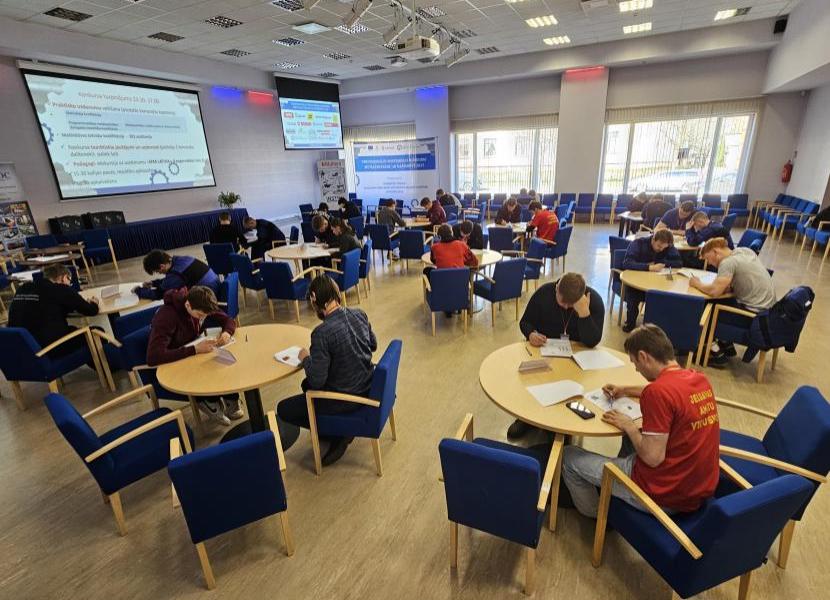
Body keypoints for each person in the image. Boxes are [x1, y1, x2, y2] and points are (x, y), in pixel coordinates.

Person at [561, 324, 720, 518]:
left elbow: (653, 458)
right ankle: (612, 489)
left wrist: (628, 425)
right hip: (695, 488)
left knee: (568, 457)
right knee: (634, 434)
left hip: (662, 495)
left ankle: (601, 514)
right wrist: (625, 390)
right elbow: (662, 390)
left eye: (635, 362)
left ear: (644, 356)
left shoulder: (658, 393)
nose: (636, 369)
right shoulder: (698, 378)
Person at [277, 275, 377, 465]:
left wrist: (305, 357)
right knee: (305, 385)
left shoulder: (321, 333)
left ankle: (339, 432)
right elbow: (373, 345)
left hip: (344, 399)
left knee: (285, 408)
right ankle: (333, 429)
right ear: (336, 293)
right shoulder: (359, 314)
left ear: (315, 300)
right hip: (367, 386)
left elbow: (317, 381)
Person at [509, 272, 604, 439]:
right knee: (534, 381)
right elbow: (525, 322)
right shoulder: (544, 293)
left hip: (576, 358)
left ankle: (563, 426)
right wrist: (531, 334)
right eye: (563, 302)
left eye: (571, 304)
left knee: (572, 389)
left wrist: (584, 313)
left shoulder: (593, 301)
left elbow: (592, 342)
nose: (566, 307)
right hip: (545, 352)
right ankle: (527, 418)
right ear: (557, 289)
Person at [146, 286, 241, 425]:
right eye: (200, 315)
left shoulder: (202, 303)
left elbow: (228, 320)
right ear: (188, 305)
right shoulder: (167, 317)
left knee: (222, 363)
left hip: (192, 350)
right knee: (210, 368)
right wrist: (194, 349)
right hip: (174, 361)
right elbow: (153, 356)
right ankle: (209, 402)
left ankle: (230, 398)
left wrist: (227, 332)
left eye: (206, 315)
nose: (203, 318)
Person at [691, 238, 777, 366]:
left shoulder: (727, 263)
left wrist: (696, 283)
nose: (710, 264)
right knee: (723, 301)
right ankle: (726, 345)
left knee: (705, 308)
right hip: (768, 313)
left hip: (754, 318)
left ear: (715, 252)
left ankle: (714, 353)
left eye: (709, 259)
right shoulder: (745, 251)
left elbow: (715, 291)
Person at [8, 264, 99, 358]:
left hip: (23, 349)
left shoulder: (23, 288)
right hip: (49, 349)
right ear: (64, 278)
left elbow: (44, 305)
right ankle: (104, 366)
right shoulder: (61, 288)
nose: (69, 284)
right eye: (69, 281)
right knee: (96, 332)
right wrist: (94, 302)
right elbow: (91, 310)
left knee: (74, 330)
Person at [621, 229, 683, 332]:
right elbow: (627, 263)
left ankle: (656, 327)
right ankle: (631, 323)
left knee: (668, 297)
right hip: (637, 283)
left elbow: (679, 263)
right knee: (632, 298)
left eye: (664, 247)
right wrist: (649, 267)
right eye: (659, 246)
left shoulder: (667, 246)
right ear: (653, 239)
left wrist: (662, 262)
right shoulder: (638, 243)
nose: (661, 249)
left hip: (658, 284)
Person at [137, 250, 219, 300]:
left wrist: (139, 291)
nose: (159, 273)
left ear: (162, 266)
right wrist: (153, 283)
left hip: (209, 295)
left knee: (172, 300)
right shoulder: (181, 259)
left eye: (157, 271)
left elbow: (160, 294)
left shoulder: (176, 273)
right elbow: (171, 280)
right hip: (215, 284)